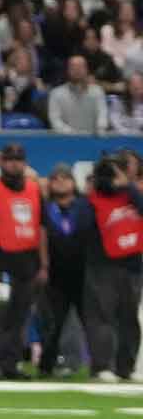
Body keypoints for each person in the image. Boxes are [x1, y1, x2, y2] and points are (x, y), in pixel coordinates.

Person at [0, 144, 46, 380]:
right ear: (2, 162)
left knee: (20, 315)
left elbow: (41, 228)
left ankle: (10, 364)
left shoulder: (34, 189)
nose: (14, 164)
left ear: (24, 163)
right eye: (10, 159)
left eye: (19, 160)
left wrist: (43, 264)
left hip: (27, 263)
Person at [77, 152, 143, 383]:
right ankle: (102, 366)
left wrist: (129, 187)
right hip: (102, 266)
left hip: (132, 265)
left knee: (129, 320)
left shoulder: (133, 197)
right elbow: (81, 227)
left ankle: (126, 367)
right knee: (101, 318)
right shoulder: (91, 200)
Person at [37, 164, 86, 379]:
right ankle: (47, 366)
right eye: (56, 178)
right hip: (54, 275)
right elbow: (39, 237)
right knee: (53, 322)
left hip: (83, 272)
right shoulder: (44, 208)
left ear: (74, 183)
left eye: (65, 178)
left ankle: (101, 365)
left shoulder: (84, 207)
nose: (61, 182)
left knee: (90, 322)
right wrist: (43, 266)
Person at [48, 55, 110, 133]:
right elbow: (56, 122)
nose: (77, 70)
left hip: (93, 139)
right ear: (67, 70)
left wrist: (99, 130)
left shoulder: (97, 91)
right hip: (67, 140)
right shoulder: (56, 93)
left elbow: (102, 116)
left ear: (87, 70)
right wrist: (75, 134)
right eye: (73, 67)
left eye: (80, 67)